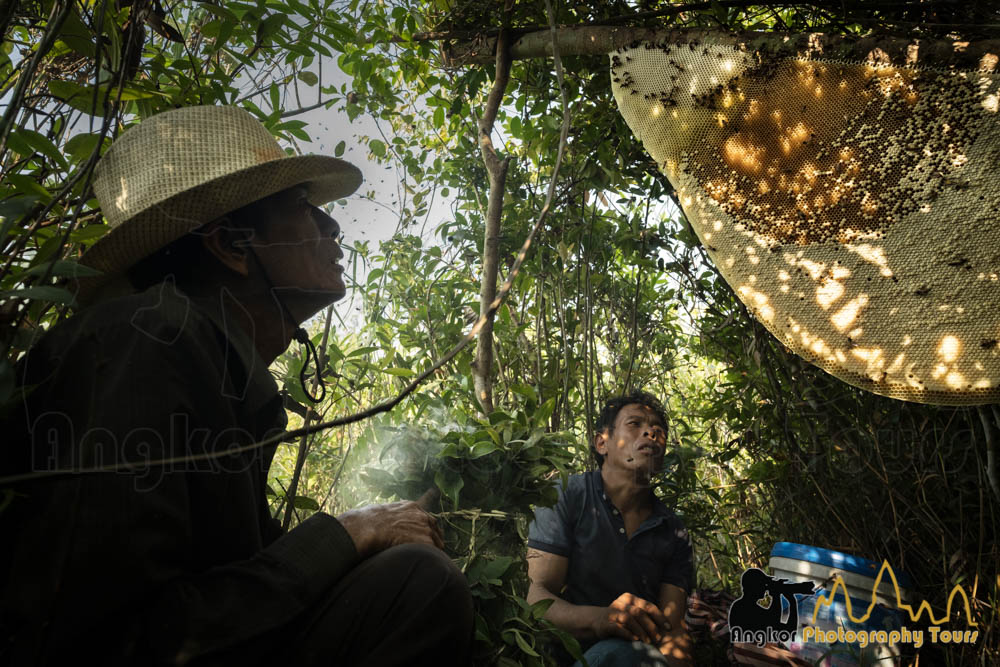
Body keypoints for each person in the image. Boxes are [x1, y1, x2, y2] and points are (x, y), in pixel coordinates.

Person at [0, 105, 473, 666]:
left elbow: (238, 580)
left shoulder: (215, 368)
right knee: (416, 584)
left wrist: (365, 533)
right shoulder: (148, 339)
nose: (332, 227)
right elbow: (113, 639)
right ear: (231, 245)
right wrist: (346, 532)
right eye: (302, 208)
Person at [526, 392, 694, 667]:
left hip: (639, 659)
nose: (651, 433)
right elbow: (535, 597)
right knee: (618, 652)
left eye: (658, 430)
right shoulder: (567, 495)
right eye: (635, 424)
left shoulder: (673, 531)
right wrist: (601, 620)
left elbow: (670, 627)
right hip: (568, 658)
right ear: (602, 442)